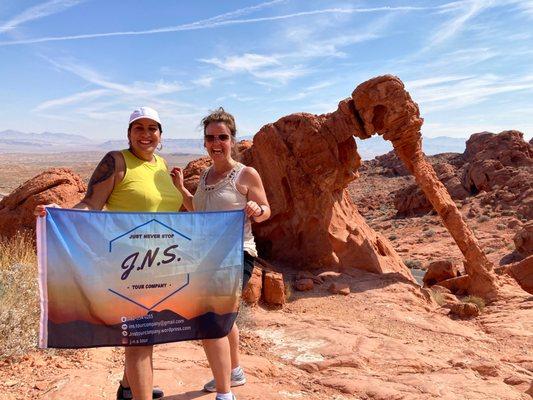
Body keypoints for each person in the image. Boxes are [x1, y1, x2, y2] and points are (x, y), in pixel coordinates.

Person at [35, 106, 181, 400]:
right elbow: (91, 203)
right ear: (128, 134)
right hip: (129, 264)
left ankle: (130, 386)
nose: (145, 134)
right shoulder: (116, 161)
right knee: (140, 337)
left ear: (161, 134)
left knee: (148, 333)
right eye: (138, 128)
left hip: (161, 261)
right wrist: (59, 216)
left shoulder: (162, 166)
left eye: (152, 128)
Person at [171, 107, 271, 400]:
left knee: (212, 316)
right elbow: (199, 211)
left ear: (233, 140)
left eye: (222, 137)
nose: (216, 142)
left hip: (238, 253)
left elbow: (266, 210)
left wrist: (257, 209)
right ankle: (234, 372)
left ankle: (225, 394)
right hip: (208, 255)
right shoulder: (204, 175)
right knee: (225, 317)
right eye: (210, 137)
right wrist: (181, 189)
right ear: (204, 141)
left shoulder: (245, 174)